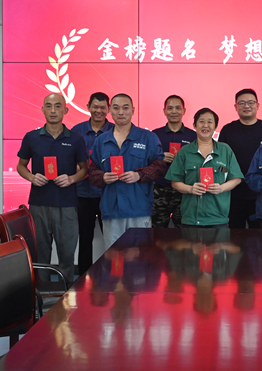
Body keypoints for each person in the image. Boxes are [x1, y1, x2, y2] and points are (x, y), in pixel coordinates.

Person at [17, 93, 88, 280]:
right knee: (40, 254)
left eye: (58, 106)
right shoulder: (31, 137)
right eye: (48, 106)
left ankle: (65, 293)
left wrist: (71, 179)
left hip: (67, 204)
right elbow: (21, 166)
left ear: (65, 110)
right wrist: (32, 177)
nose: (53, 110)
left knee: (67, 255)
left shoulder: (76, 139)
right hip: (39, 204)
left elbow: (85, 169)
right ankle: (42, 292)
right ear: (43, 109)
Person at [88, 93, 165, 248]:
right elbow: (92, 173)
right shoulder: (101, 141)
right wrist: (103, 177)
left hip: (139, 209)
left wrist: (139, 175)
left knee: (141, 257)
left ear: (133, 110)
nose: (121, 112)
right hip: (111, 209)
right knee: (114, 257)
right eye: (116, 108)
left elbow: (160, 167)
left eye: (125, 108)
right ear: (110, 110)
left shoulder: (148, 137)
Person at [165, 108, 243, 228]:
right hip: (191, 218)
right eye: (201, 121)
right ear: (194, 126)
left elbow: (236, 178)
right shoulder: (185, 151)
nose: (205, 125)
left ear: (215, 126)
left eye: (210, 122)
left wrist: (221, 188)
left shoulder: (225, 150)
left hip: (218, 218)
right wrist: (190, 189)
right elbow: (175, 182)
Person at [218, 89, 262, 228]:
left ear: (257, 105)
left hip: (261, 194)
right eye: (242, 103)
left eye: (250, 102)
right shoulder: (228, 130)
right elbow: (220, 161)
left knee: (260, 237)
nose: (246, 106)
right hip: (234, 194)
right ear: (235, 107)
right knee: (234, 236)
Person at [71, 92, 114, 275]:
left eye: (103, 107)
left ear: (108, 109)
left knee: (112, 238)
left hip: (108, 194)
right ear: (88, 106)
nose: (99, 111)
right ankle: (84, 278)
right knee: (85, 238)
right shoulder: (76, 131)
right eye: (95, 106)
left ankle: (113, 276)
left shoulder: (115, 131)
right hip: (82, 194)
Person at [151, 95, 197, 228]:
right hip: (159, 188)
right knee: (157, 230)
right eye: (170, 108)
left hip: (184, 189)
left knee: (183, 230)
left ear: (184, 111)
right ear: (164, 111)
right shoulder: (154, 135)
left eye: (178, 108)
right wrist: (159, 157)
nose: (174, 111)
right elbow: (146, 159)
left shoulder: (193, 135)